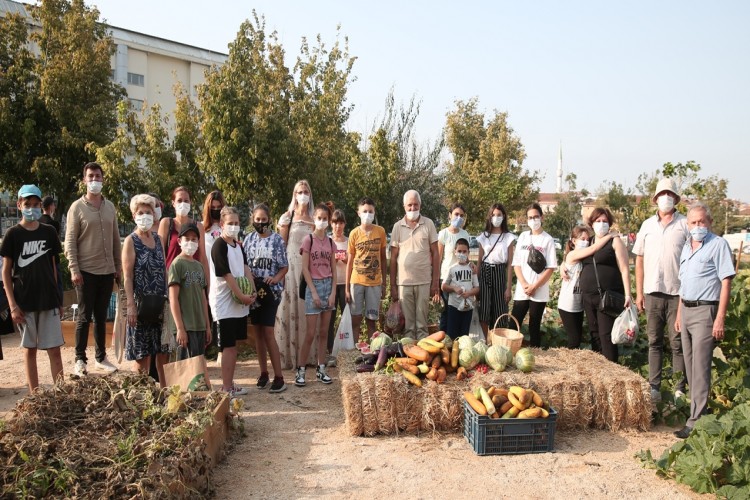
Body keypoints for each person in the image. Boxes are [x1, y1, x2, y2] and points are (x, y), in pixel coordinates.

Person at [673, 203, 734, 439]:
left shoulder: (718, 245)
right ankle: (699, 412)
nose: (698, 226)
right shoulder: (687, 247)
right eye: (693, 223)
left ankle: (695, 422)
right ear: (688, 225)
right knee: (689, 366)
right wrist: (679, 313)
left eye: (701, 222)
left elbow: (726, 282)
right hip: (687, 309)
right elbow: (683, 284)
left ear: (709, 223)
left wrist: (720, 317)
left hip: (705, 310)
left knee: (700, 368)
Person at [1, 185, 64, 392]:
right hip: (25, 302)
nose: (32, 208)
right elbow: (6, 272)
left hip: (48, 300)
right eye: (27, 204)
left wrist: (58, 298)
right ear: (19, 205)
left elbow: (54, 267)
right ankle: (35, 395)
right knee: (30, 349)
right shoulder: (13, 234)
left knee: (54, 350)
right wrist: (12, 306)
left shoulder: (49, 232)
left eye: (36, 204)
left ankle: (62, 394)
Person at [633, 178, 689, 403]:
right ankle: (654, 386)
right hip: (652, 292)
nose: (666, 198)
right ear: (656, 199)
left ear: (675, 198)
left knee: (677, 342)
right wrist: (639, 293)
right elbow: (639, 259)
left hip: (677, 294)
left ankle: (678, 388)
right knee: (654, 341)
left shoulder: (685, 224)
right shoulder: (647, 225)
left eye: (670, 194)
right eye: (662, 194)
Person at [64, 162, 121, 375]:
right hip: (85, 271)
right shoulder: (76, 208)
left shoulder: (110, 207)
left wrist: (117, 266)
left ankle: (101, 357)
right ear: (84, 180)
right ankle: (80, 359)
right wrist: (74, 268)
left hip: (106, 271)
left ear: (103, 179)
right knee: (84, 316)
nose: (94, 180)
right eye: (90, 176)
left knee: (101, 315)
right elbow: (69, 241)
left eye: (98, 176)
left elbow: (116, 239)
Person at [158, 187, 207, 380]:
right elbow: (161, 255)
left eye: (186, 199)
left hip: (193, 285)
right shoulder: (166, 223)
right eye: (179, 200)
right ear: (173, 202)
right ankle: (166, 384)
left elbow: (202, 257)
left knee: (194, 349)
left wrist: (206, 286)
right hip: (173, 286)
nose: (183, 203)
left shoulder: (198, 226)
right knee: (171, 343)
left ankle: (192, 386)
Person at [210, 206, 256, 396]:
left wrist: (252, 291)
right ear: (221, 224)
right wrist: (242, 295)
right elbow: (227, 276)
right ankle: (226, 387)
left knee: (234, 345)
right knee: (227, 347)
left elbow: (245, 269)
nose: (234, 226)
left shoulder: (238, 245)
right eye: (230, 223)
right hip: (225, 304)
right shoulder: (218, 245)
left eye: (237, 223)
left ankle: (230, 383)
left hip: (239, 304)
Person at [243, 204, 288, 393]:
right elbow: (244, 263)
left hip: (271, 291)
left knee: (269, 332)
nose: (260, 222)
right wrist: (248, 277)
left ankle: (279, 376)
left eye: (264, 219)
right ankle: (263, 373)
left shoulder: (277, 240)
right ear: (253, 220)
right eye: (257, 219)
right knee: (258, 333)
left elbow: (284, 266)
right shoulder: (248, 240)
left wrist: (275, 278)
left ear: (269, 219)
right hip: (254, 291)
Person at [121, 194, 167, 378]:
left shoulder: (157, 240)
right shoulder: (131, 241)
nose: (145, 215)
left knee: (162, 352)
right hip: (140, 307)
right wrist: (130, 305)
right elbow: (127, 276)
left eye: (148, 212)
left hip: (159, 305)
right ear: (134, 215)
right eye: (141, 212)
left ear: (154, 215)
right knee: (142, 355)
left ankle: (163, 393)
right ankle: (142, 397)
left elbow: (163, 271)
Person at [578, 208, 632, 362]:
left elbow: (624, 269)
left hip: (607, 296)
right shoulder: (588, 242)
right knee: (594, 334)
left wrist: (628, 294)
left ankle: (611, 369)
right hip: (588, 296)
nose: (601, 224)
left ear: (609, 223)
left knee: (606, 335)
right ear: (592, 224)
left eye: (605, 221)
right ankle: (599, 368)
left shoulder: (615, 241)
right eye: (598, 221)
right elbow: (573, 256)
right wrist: (563, 268)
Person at [296, 202, 337, 387]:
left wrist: (333, 292)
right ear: (314, 219)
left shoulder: (330, 242)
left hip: (328, 286)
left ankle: (321, 369)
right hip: (313, 286)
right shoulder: (308, 240)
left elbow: (334, 270)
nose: (321, 221)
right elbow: (304, 268)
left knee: (323, 332)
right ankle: (301, 370)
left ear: (329, 221)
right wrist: (313, 292)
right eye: (319, 218)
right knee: (310, 333)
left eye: (325, 219)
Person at [389, 190, 439, 340]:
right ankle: (409, 357)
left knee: (422, 326)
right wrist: (392, 285)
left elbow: (436, 253)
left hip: (424, 281)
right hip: (404, 283)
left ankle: (423, 359)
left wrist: (435, 282)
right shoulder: (397, 227)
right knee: (408, 327)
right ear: (404, 206)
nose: (412, 208)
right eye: (409, 205)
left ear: (420, 205)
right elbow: (393, 258)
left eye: (415, 205)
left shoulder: (428, 224)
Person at [276, 180, 314, 369]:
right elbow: (281, 246)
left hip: (308, 268)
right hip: (290, 268)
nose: (303, 194)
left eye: (306, 191)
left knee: (306, 308)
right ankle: (289, 357)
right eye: (300, 191)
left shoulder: (315, 218)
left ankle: (307, 357)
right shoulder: (287, 217)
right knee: (290, 308)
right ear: (294, 194)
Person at [559, 225, 614, 350]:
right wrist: (610, 235)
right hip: (568, 304)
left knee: (578, 337)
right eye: (582, 239)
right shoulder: (573, 254)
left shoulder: (584, 257)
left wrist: (561, 265)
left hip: (579, 304)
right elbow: (594, 247)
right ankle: (568, 365)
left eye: (587, 239)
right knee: (574, 339)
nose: (586, 241)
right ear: (574, 241)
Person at [511, 203, 557, 347]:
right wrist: (525, 284)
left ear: (541, 217)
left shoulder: (547, 240)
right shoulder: (523, 237)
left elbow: (550, 268)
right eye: (530, 217)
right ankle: (511, 350)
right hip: (522, 289)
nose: (533, 220)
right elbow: (516, 264)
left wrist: (535, 286)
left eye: (536, 217)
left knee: (534, 325)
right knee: (514, 322)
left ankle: (535, 354)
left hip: (539, 290)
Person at [168, 222, 211, 361]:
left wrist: (207, 326)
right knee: (185, 368)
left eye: (194, 239)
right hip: (185, 326)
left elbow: (204, 299)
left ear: (198, 242)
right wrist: (180, 328)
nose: (190, 242)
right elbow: (173, 299)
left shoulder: (199, 266)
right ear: (179, 241)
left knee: (198, 367)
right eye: (187, 239)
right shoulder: (177, 264)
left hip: (199, 325)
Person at [346, 197, 387, 340]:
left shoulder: (380, 231)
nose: (367, 214)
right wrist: (346, 288)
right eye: (364, 211)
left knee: (371, 321)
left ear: (374, 212)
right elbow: (349, 262)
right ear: (358, 213)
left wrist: (384, 284)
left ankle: (372, 352)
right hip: (356, 281)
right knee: (355, 320)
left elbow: (383, 258)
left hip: (374, 283)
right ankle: (354, 351)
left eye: (370, 211)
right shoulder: (354, 233)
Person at [477, 203, 516, 336]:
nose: (496, 217)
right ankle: (484, 340)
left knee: (500, 308)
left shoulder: (508, 237)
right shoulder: (483, 236)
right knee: (484, 309)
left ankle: (497, 340)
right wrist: (476, 283)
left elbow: (511, 264)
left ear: (504, 216)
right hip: (485, 272)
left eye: (499, 215)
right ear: (490, 216)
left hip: (500, 272)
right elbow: (479, 261)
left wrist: (508, 287)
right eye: (493, 215)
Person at [437, 203, 471, 332]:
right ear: (450, 215)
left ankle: (457, 341)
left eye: (462, 215)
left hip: (461, 279)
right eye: (456, 214)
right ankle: (444, 341)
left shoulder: (465, 233)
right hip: (446, 279)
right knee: (446, 312)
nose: (459, 218)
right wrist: (435, 284)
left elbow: (465, 256)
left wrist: (470, 264)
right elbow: (438, 259)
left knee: (459, 310)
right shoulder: (443, 234)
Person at [441, 238, 479, 339]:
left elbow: (477, 288)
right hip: (453, 306)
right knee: (452, 335)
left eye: (464, 251)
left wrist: (470, 293)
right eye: (459, 251)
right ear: (455, 252)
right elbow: (443, 286)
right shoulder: (452, 268)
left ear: (468, 252)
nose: (462, 253)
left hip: (468, 307)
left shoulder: (472, 269)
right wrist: (453, 288)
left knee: (464, 336)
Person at [327, 209, 349, 363]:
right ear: (331, 224)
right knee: (330, 320)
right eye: (335, 223)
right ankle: (330, 352)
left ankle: (347, 351)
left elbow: (352, 263)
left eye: (340, 223)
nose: (338, 226)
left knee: (346, 318)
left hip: (346, 285)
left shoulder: (348, 241)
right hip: (331, 285)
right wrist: (333, 260)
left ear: (344, 224)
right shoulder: (328, 241)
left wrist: (347, 259)